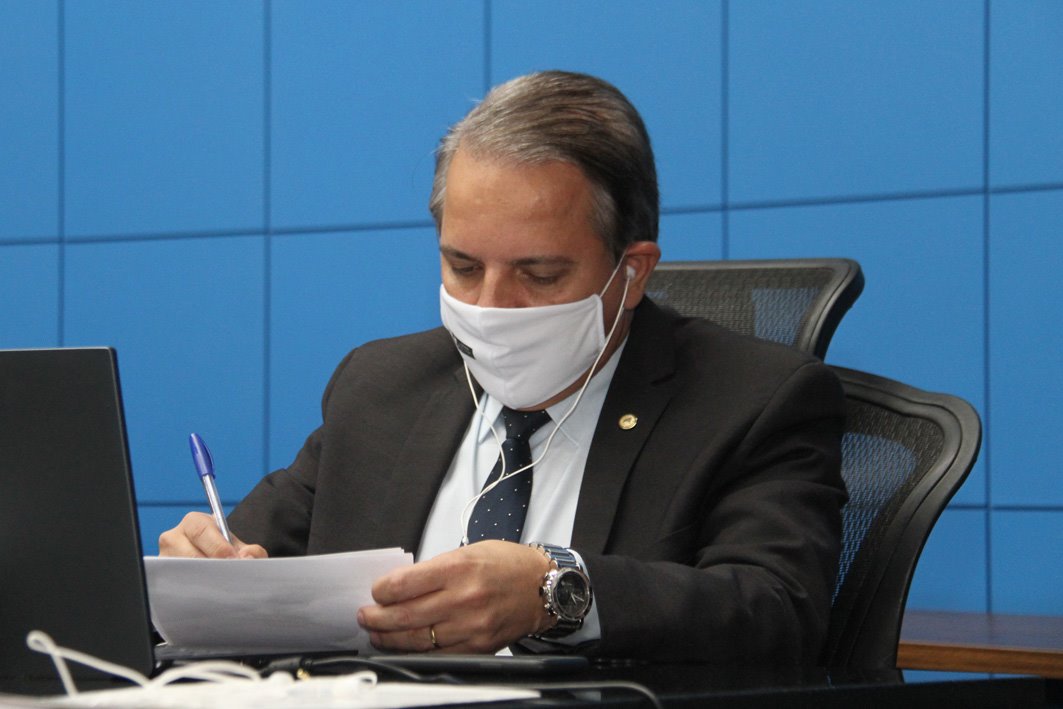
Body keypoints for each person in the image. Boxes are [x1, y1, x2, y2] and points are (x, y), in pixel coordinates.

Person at [160, 70, 847, 664]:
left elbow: (777, 608)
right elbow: (244, 560)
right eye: (463, 266)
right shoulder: (378, 387)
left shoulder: (753, 400)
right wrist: (203, 569)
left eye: (539, 274)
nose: (491, 306)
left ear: (632, 272)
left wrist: (556, 591)